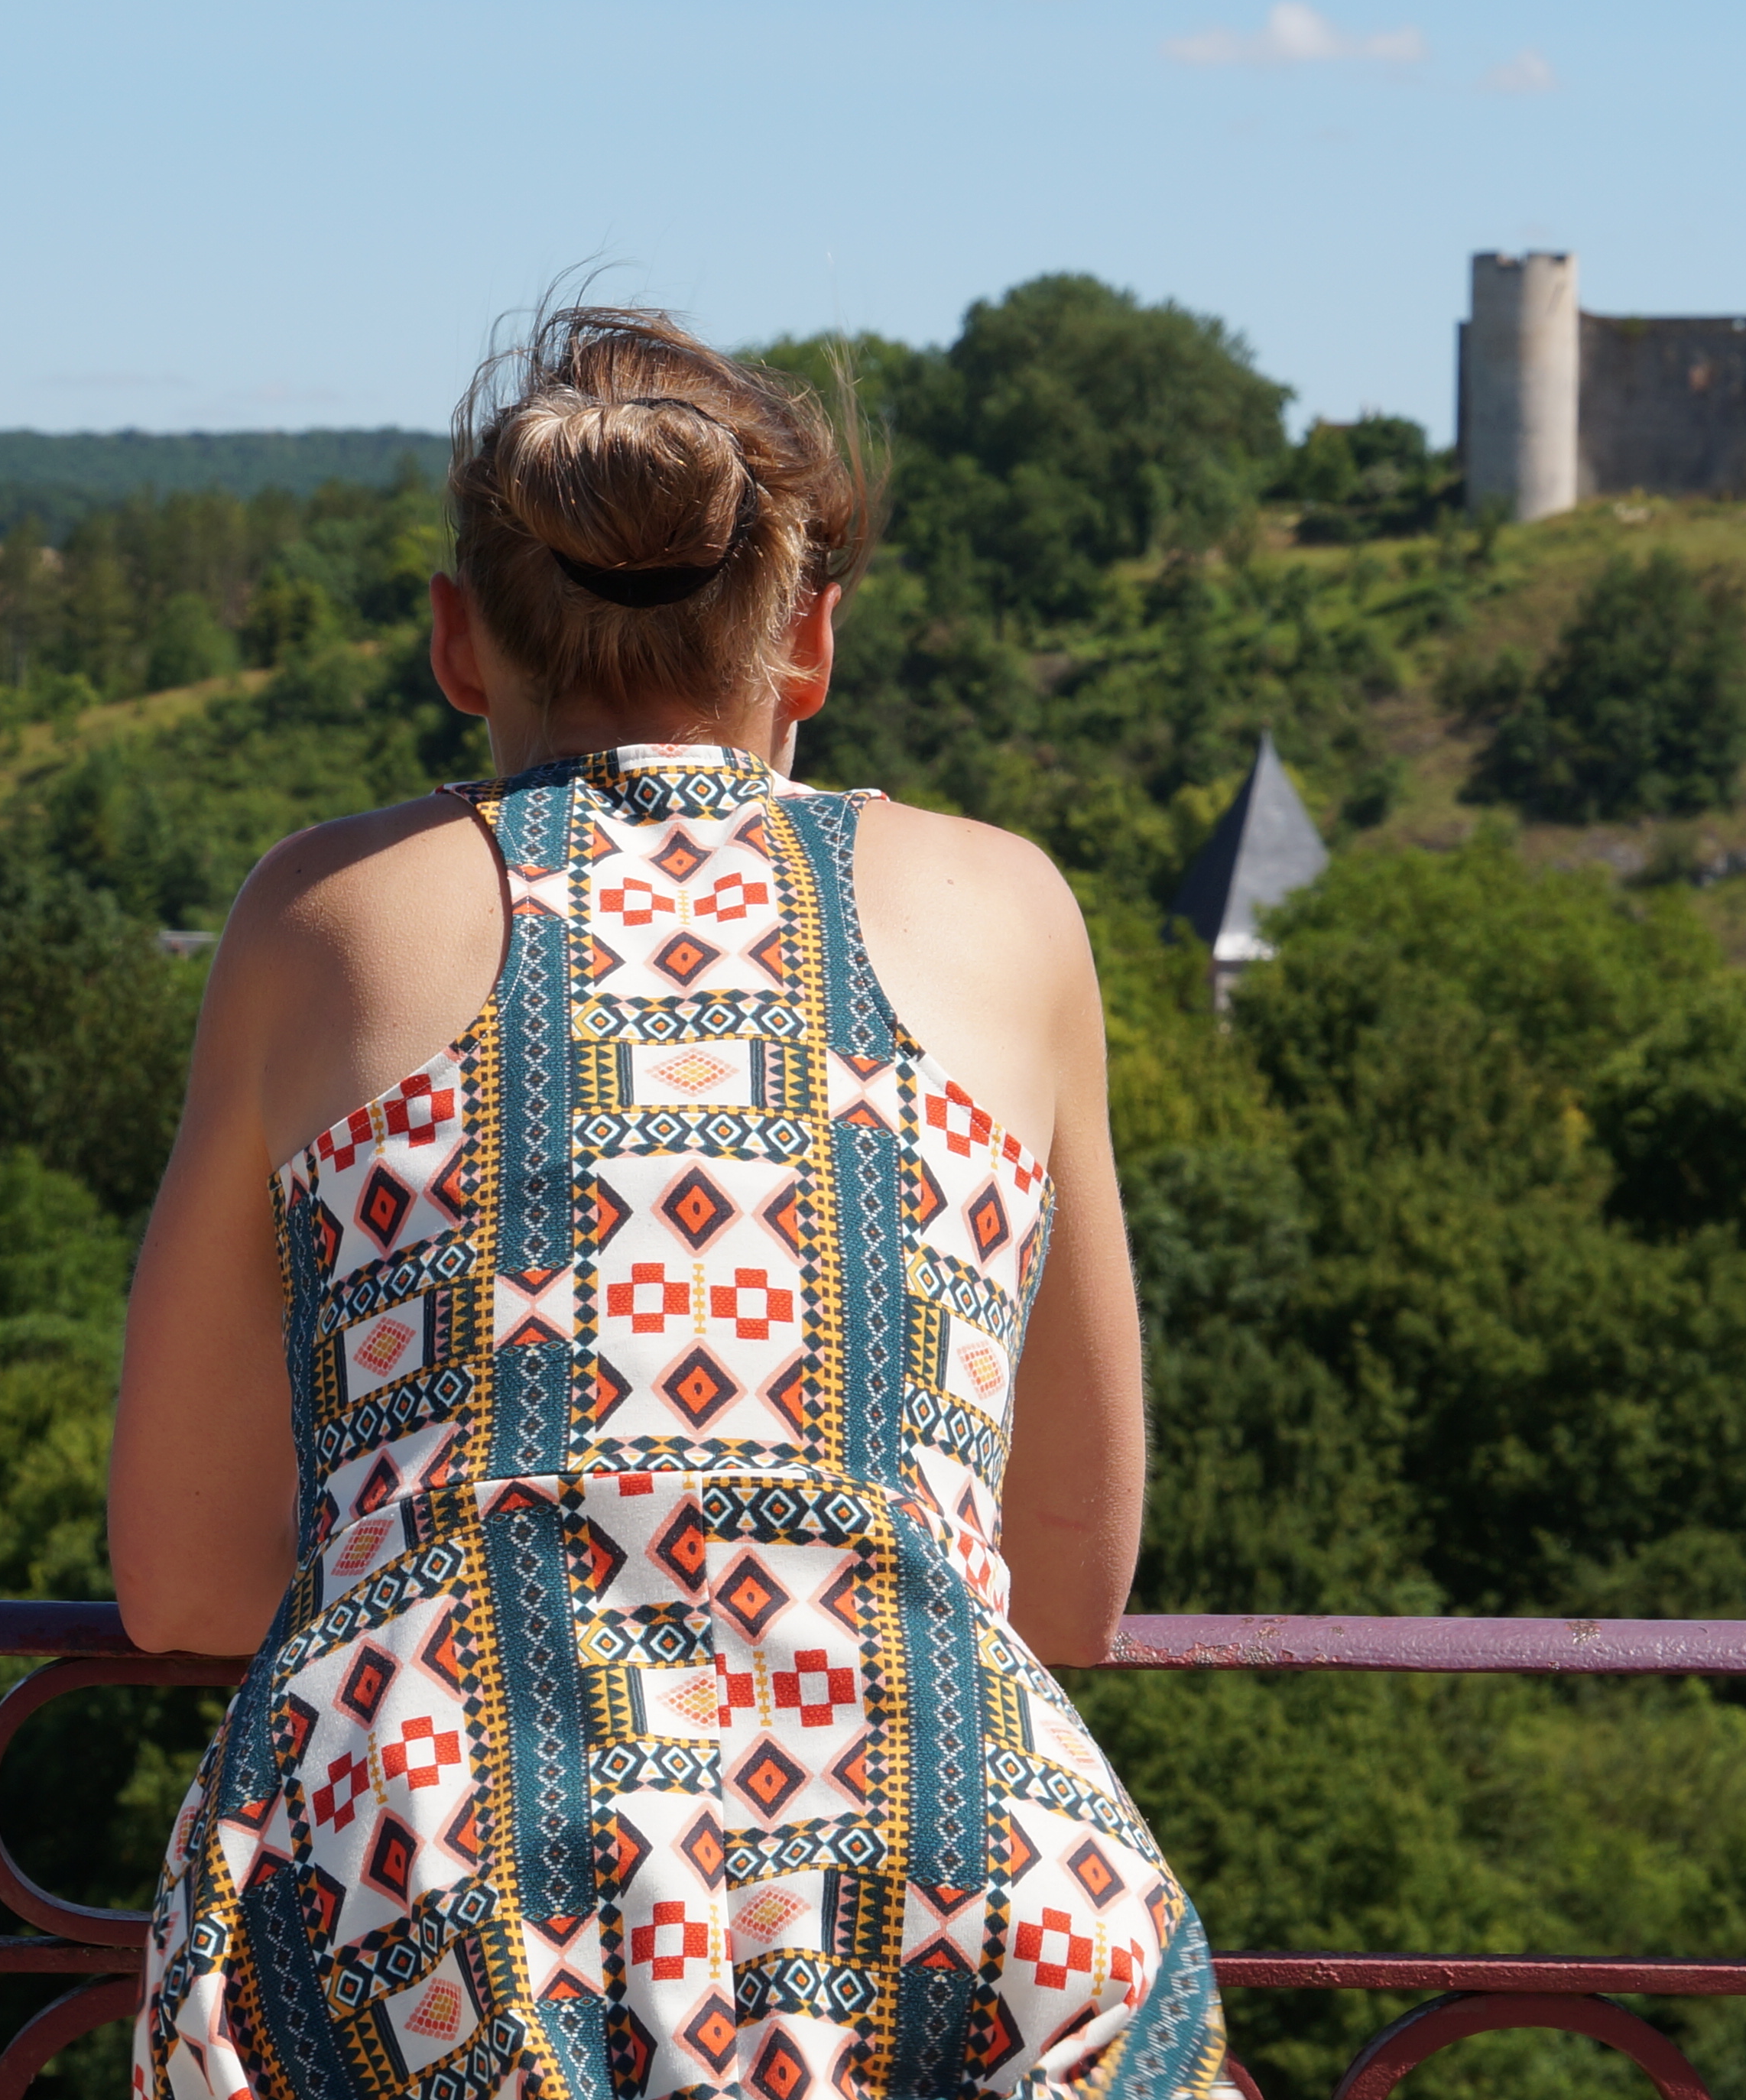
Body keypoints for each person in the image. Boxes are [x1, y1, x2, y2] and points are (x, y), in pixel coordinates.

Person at [111, 303, 1230, 2100]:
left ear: (456, 640)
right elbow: (1073, 1590)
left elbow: (174, 1581)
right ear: (809, 643)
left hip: (423, 1873)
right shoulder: (1005, 908)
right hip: (950, 1875)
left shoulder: (321, 916)